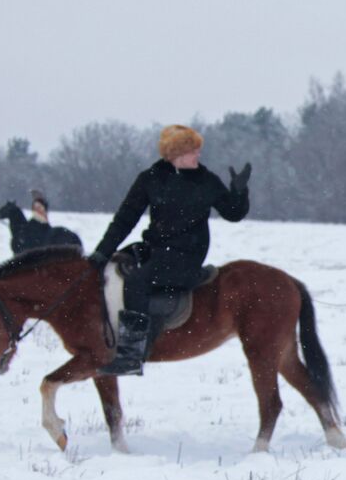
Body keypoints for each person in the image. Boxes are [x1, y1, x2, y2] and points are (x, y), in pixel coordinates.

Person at [89, 125, 251, 376]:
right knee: (116, 269)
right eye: (191, 150)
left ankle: (131, 354)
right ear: (174, 154)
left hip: (186, 255)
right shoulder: (150, 179)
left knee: (136, 282)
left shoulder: (207, 181)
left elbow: (233, 213)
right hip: (154, 249)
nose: (198, 154)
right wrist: (102, 252)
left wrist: (239, 192)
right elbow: (125, 219)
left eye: (198, 149)